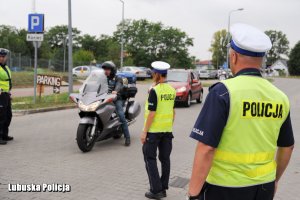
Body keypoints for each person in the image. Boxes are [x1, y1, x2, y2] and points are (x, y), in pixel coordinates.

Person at [187, 23, 294, 200]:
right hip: (264, 188)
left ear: (234, 57)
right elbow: (287, 146)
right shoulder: (280, 97)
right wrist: (274, 180)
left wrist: (193, 193)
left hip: (225, 188)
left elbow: (206, 148)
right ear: (261, 59)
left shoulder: (223, 92)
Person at [141, 61, 176, 199]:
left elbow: (152, 113)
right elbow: (173, 112)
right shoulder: (172, 90)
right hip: (167, 131)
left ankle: (156, 190)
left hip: (154, 132)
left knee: (149, 158)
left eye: (153, 74)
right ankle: (163, 187)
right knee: (165, 159)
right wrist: (168, 126)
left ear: (156, 74)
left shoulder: (154, 91)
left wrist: (144, 131)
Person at [102, 61, 131, 146]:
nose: (106, 71)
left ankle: (127, 137)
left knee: (121, 116)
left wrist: (116, 91)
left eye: (108, 69)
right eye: (105, 69)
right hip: (104, 99)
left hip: (116, 99)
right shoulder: (103, 78)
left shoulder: (117, 78)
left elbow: (119, 85)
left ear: (112, 70)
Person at [0, 48, 13, 145]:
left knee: (8, 115)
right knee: (1, 116)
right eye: (3, 56)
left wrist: (9, 92)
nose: (5, 58)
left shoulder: (5, 67)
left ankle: (4, 134)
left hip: (6, 94)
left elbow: (8, 80)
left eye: (5, 56)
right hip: (1, 95)